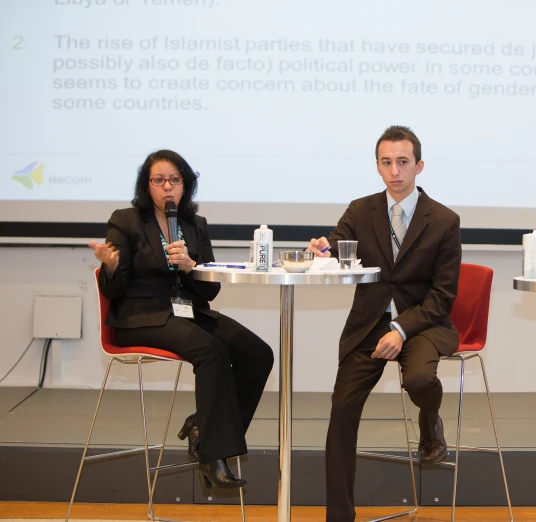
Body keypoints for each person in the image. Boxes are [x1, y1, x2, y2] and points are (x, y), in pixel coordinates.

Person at [88, 149, 274, 489]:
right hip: (141, 315)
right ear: (147, 186)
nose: (167, 187)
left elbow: (211, 290)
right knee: (211, 351)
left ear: (185, 186)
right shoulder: (126, 221)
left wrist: (192, 267)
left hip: (187, 311)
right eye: (159, 180)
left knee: (258, 354)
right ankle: (212, 457)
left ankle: (204, 426)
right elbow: (115, 290)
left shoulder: (194, 225)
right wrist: (111, 266)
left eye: (175, 180)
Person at [307, 126, 462, 522]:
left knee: (419, 382)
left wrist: (402, 330)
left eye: (403, 162)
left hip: (422, 323)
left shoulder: (444, 220)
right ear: (377, 166)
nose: (395, 171)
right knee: (341, 411)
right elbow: (337, 245)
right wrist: (322, 249)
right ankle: (339, 516)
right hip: (368, 325)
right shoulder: (361, 210)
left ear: (419, 166)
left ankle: (430, 422)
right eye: (386, 162)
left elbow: (443, 296)